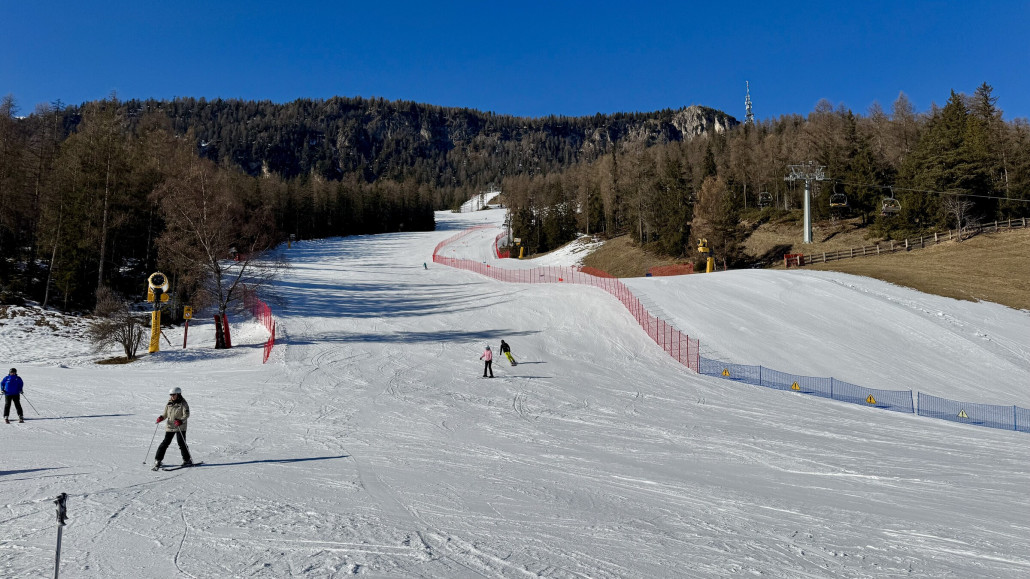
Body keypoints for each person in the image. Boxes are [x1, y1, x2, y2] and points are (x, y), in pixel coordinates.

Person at [153, 387, 192, 469]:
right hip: (170, 426)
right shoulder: (169, 403)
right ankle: (158, 460)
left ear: (178, 394)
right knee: (165, 443)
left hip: (180, 426)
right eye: (171, 395)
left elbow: (186, 415)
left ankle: (187, 460)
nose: (172, 396)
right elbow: (165, 414)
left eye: (174, 395)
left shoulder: (183, 403)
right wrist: (161, 418)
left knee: (181, 443)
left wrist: (181, 421)